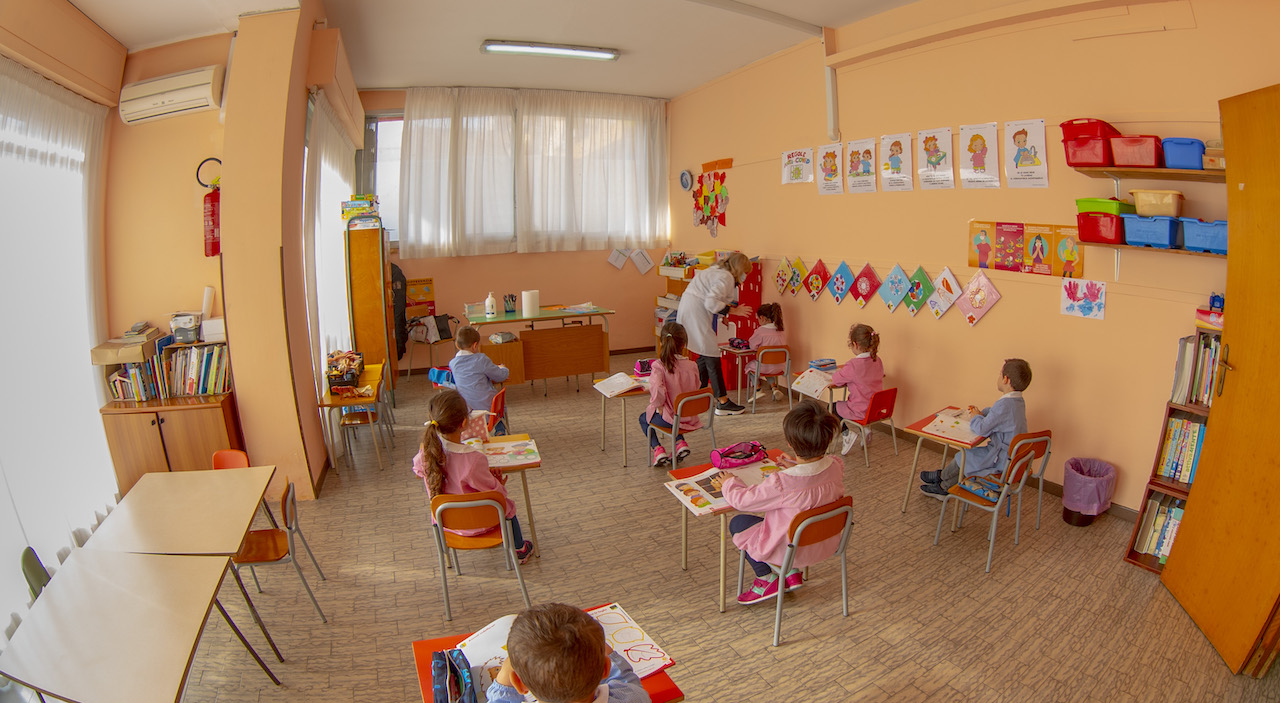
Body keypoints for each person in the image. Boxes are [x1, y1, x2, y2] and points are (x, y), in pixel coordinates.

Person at [711, 401, 845, 605]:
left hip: (791, 549)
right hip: (826, 543)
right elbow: (815, 474)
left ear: (790, 442)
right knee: (786, 520)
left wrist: (729, 482)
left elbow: (742, 501)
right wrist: (795, 464)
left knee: (738, 523)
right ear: (827, 439)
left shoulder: (782, 483)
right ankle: (790, 573)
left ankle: (765, 579)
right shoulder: (836, 466)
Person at [412, 388, 532, 562]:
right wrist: (499, 484)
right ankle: (520, 550)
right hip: (482, 522)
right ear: (464, 423)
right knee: (508, 505)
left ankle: (447, 559)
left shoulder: (426, 453)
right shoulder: (474, 459)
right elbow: (496, 495)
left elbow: (418, 470)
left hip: (446, 523)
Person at [488, 603, 648, 703]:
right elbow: (627, 680)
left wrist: (504, 679)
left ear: (519, 683)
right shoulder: (631, 698)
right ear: (605, 668)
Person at [920, 358, 1032, 497]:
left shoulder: (1004, 405)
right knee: (967, 459)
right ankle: (943, 481)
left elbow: (982, 429)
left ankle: (943, 482)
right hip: (1011, 459)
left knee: (964, 456)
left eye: (1000, 374)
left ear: (1006, 380)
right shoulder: (1017, 402)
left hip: (1000, 461)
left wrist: (976, 417)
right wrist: (982, 413)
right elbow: (998, 416)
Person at [676, 251, 753, 416]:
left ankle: (699, 391)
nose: (745, 276)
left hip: (690, 308)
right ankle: (722, 401)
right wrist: (734, 311)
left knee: (704, 351)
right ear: (739, 269)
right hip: (696, 311)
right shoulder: (726, 277)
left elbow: (714, 297)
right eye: (745, 272)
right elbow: (711, 302)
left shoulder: (717, 270)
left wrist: (723, 313)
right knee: (711, 352)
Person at [640, 321, 702, 467]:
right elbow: (697, 386)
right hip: (691, 417)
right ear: (684, 344)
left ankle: (658, 450)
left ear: (662, 342)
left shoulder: (659, 366)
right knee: (675, 412)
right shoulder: (692, 365)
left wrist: (658, 405)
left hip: (673, 420)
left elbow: (657, 390)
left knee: (644, 418)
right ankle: (680, 443)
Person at [830, 323, 884, 455]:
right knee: (857, 400)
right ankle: (865, 430)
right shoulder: (877, 360)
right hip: (875, 409)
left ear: (855, 344)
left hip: (860, 409)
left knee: (832, 408)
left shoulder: (853, 365)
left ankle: (847, 434)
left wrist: (840, 372)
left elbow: (836, 380)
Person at [449, 326, 508, 413]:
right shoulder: (481, 359)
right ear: (475, 345)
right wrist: (504, 368)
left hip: (466, 411)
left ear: (457, 345)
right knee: (499, 406)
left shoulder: (453, 364)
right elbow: (500, 376)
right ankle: (500, 426)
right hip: (488, 410)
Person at [744, 303, 787, 402]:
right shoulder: (780, 330)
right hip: (780, 366)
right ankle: (774, 388)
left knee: (749, 367)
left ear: (762, 318)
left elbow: (752, 346)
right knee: (768, 366)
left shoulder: (760, 331)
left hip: (765, 367)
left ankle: (758, 389)